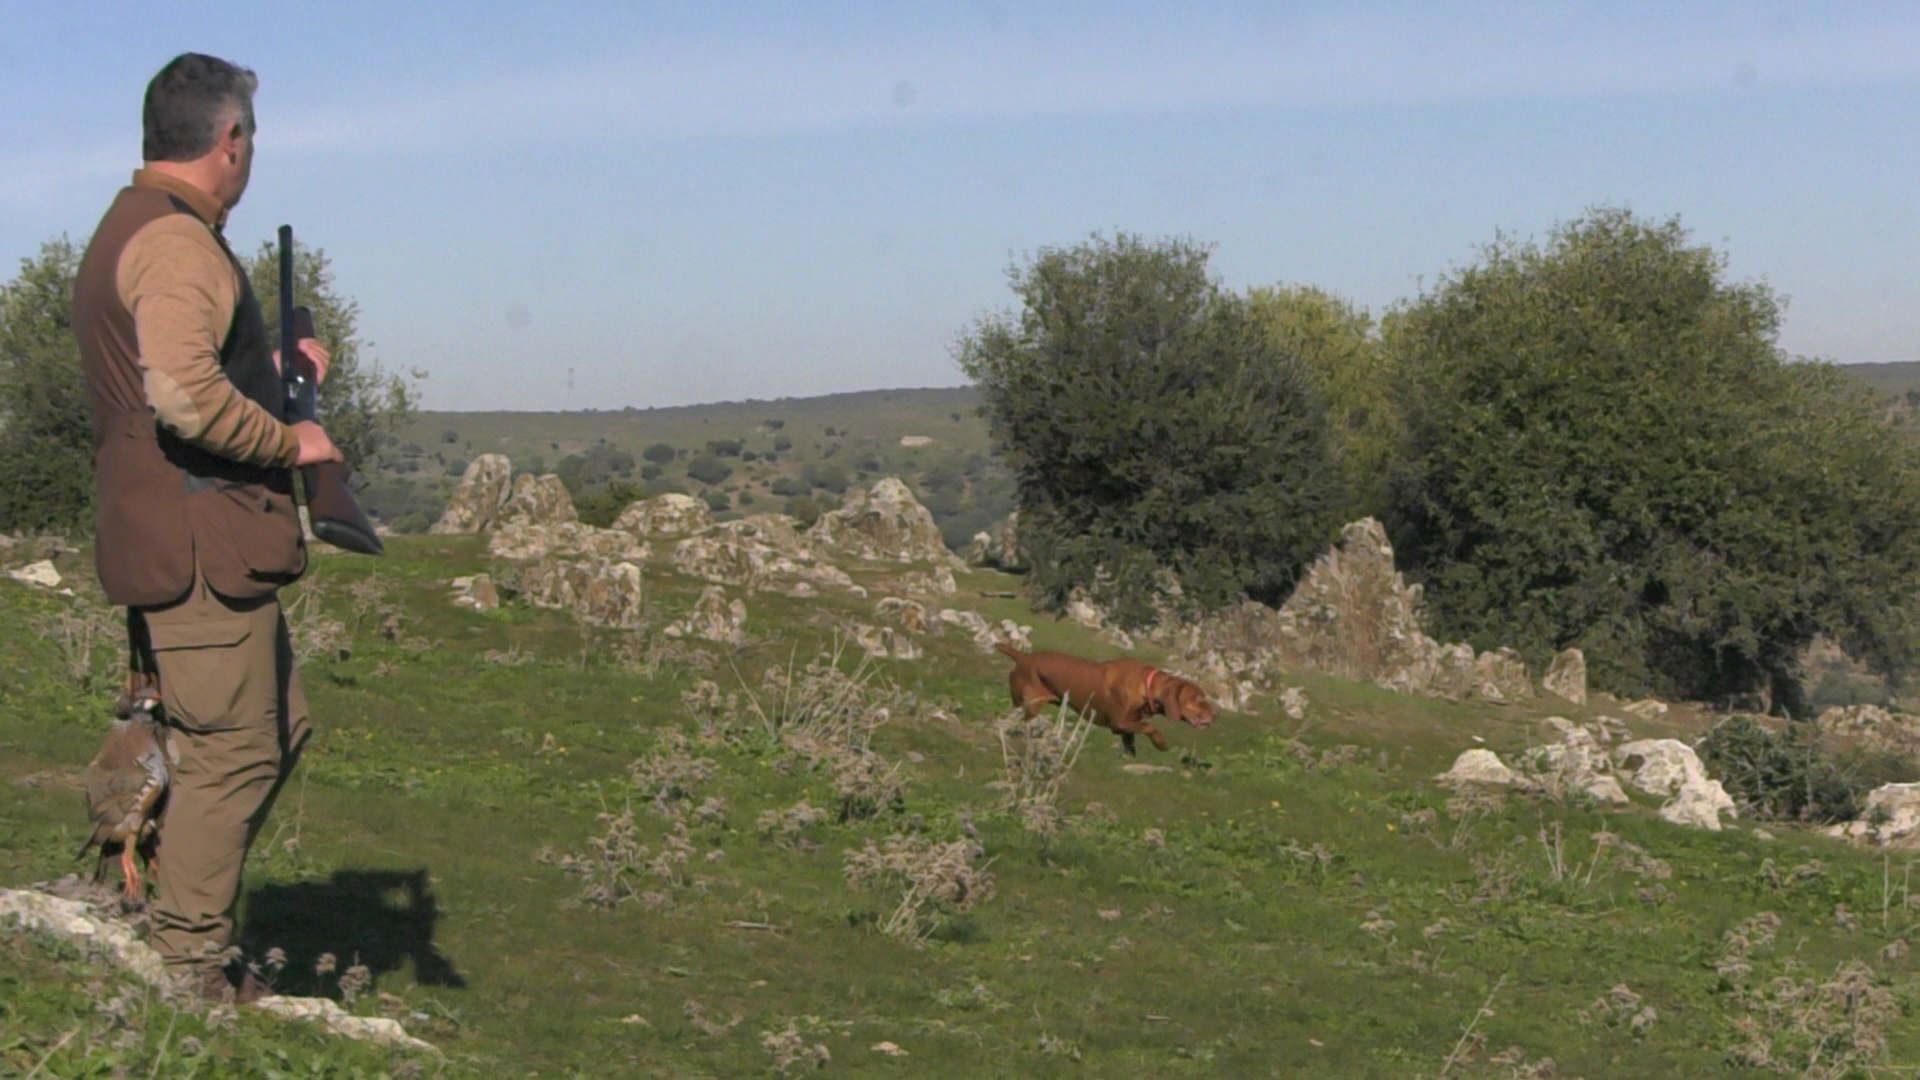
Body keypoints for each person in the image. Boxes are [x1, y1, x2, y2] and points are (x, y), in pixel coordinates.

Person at [71, 51, 343, 1004]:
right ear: (230, 142)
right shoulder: (180, 241)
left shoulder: (135, 226)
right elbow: (183, 397)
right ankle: (185, 968)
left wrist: (262, 365)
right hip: (202, 552)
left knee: (268, 728)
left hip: (175, 541)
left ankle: (167, 906)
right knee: (230, 749)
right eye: (249, 139)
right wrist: (292, 441)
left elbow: (178, 367)